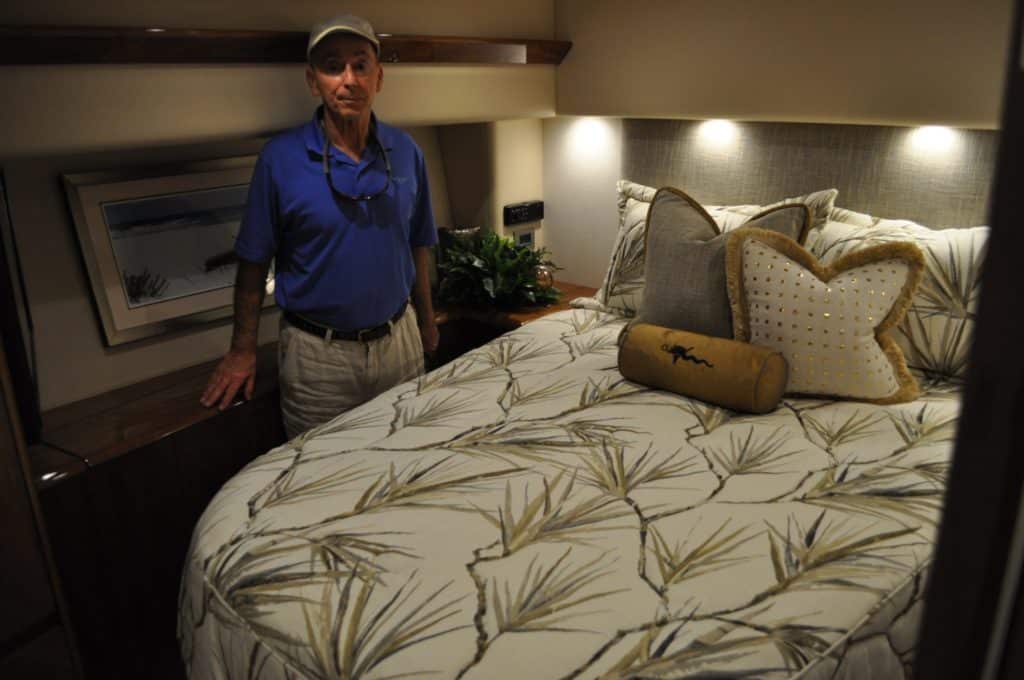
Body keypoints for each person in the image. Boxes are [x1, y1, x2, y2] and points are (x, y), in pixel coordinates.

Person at [200, 14, 439, 438]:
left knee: (408, 463)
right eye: (333, 66)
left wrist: (426, 319)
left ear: (378, 77)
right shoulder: (280, 160)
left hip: (399, 342)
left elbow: (418, 242)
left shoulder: (405, 151)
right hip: (318, 359)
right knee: (325, 480)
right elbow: (254, 262)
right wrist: (241, 351)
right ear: (313, 81)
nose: (349, 79)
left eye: (360, 65)